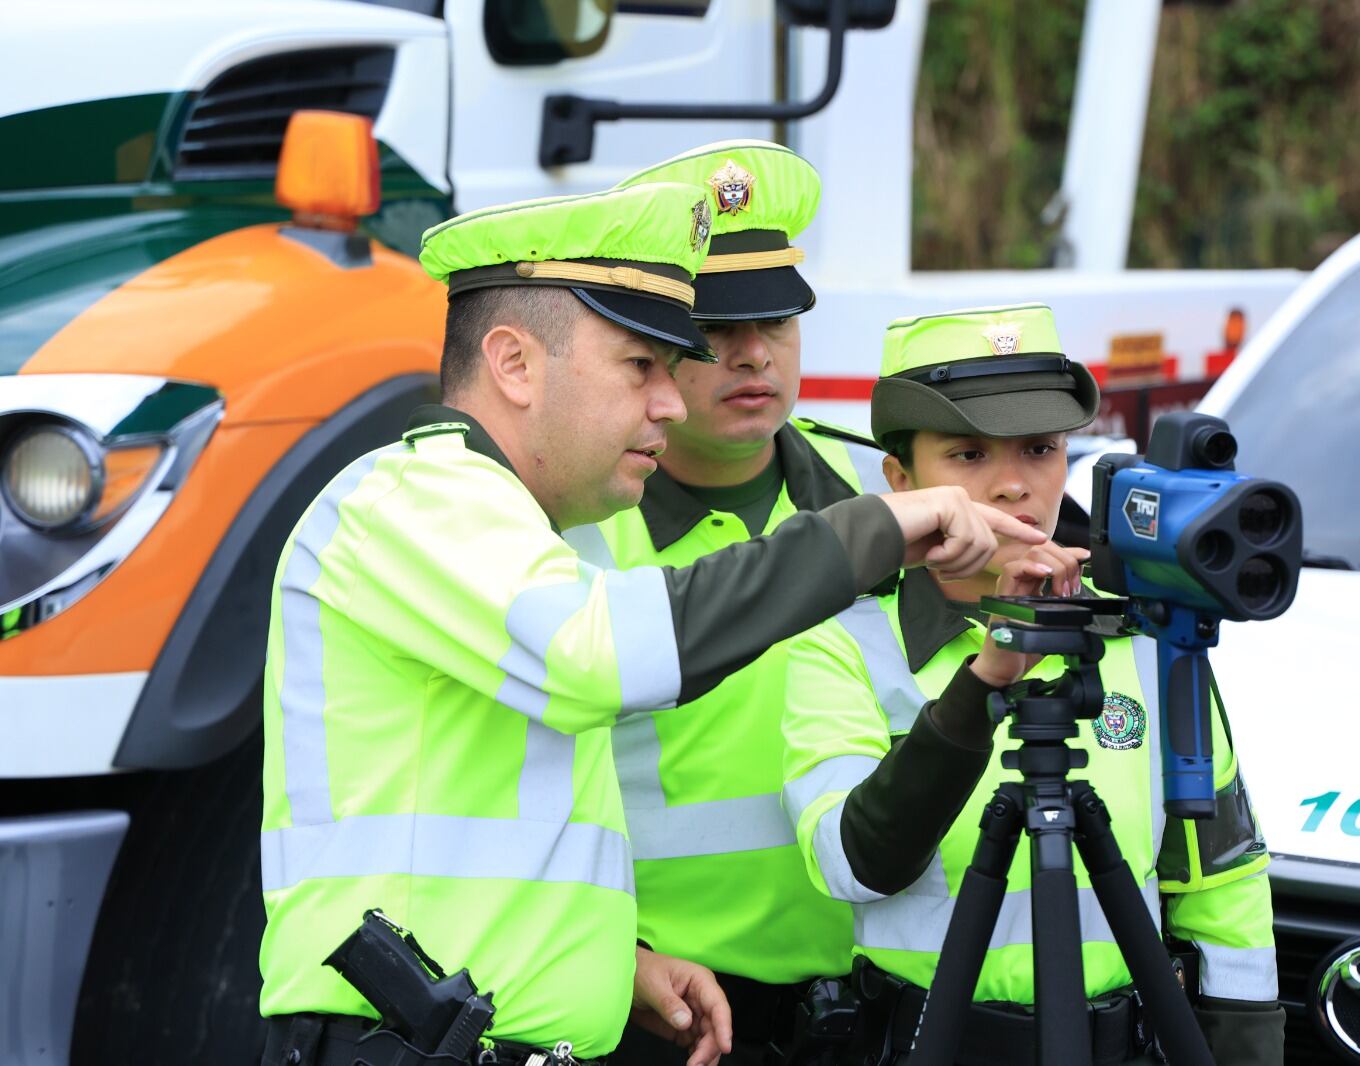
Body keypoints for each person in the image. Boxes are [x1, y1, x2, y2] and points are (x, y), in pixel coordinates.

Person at [257, 186, 1049, 1066]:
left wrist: (611, 964)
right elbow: (606, 655)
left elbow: (499, 836)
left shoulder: (505, 527)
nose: (671, 404)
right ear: (515, 365)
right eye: (642, 366)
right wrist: (877, 528)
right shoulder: (418, 500)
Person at [780, 304, 1284, 1066]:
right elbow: (856, 866)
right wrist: (984, 681)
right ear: (901, 478)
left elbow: (1222, 880)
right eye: (970, 455)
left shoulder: (1146, 637)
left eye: (1040, 449)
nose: (1014, 485)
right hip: (931, 1043)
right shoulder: (845, 640)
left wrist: (1246, 1051)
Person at [560, 140, 881, 1066]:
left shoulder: (885, 493)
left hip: (887, 990)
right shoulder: (572, 530)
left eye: (777, 320)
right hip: (668, 1013)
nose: (753, 354)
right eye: (717, 329)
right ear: (651, 348)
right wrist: (609, 956)